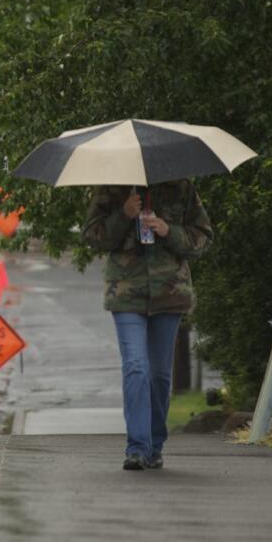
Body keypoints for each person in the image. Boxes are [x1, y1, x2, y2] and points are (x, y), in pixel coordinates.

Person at [84, 180, 213, 472]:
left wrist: (169, 231)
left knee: (159, 374)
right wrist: (124, 215)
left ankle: (155, 445)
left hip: (170, 293)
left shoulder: (182, 188)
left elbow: (202, 237)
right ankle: (137, 448)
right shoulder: (113, 189)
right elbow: (93, 237)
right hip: (126, 294)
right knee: (136, 366)